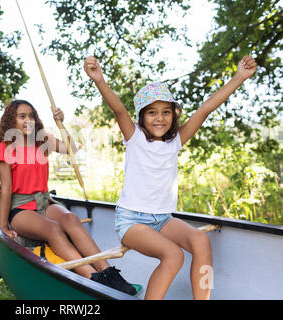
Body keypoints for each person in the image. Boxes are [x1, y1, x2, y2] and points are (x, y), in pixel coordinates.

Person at [84, 55, 257, 299]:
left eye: (166, 112)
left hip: (163, 219)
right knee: (173, 255)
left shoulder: (175, 141)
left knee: (201, 242)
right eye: (152, 112)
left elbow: (206, 108)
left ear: (173, 115)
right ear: (141, 117)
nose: (160, 118)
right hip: (132, 221)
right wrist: (99, 80)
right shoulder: (134, 138)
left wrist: (238, 78)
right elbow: (119, 109)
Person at [0, 99, 136, 295]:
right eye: (22, 116)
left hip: (44, 201)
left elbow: (72, 148)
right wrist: (3, 227)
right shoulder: (6, 147)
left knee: (70, 218)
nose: (28, 120)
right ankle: (91, 277)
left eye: (31, 116)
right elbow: (7, 189)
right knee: (53, 229)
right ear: (11, 121)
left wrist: (62, 123)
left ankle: (108, 272)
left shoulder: (42, 140)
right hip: (21, 208)